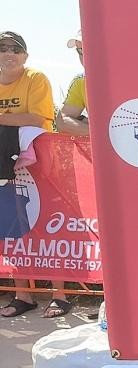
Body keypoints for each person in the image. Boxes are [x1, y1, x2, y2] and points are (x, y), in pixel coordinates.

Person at [0, 30, 70, 318]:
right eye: (3, 48)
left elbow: (35, 118)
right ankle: (22, 295)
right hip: (7, 167)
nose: (9, 53)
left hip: (42, 165)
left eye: (15, 49)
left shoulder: (36, 78)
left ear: (25, 56)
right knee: (12, 228)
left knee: (49, 227)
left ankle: (60, 296)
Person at [56, 31, 89, 138]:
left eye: (89, 48)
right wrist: (102, 132)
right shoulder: (81, 81)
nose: (84, 56)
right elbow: (62, 122)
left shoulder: (130, 75)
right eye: (80, 50)